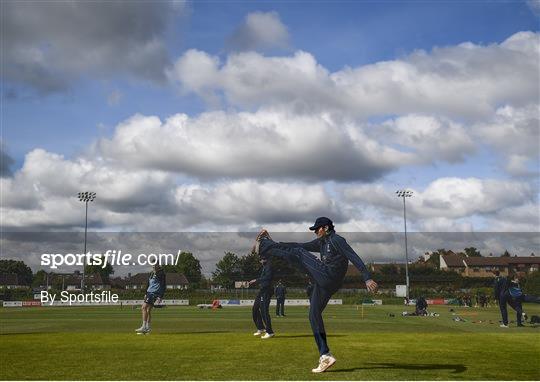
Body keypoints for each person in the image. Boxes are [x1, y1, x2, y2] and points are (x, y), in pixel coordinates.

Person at [254, 217, 378, 373]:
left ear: (325, 228)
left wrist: (367, 277)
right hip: (324, 283)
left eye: (317, 229)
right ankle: (325, 355)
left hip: (329, 276)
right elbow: (298, 245)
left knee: (299, 253)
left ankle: (264, 245)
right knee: (313, 315)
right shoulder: (321, 242)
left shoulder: (337, 240)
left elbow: (354, 257)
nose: (315, 232)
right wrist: (276, 242)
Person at [135, 264, 166, 334]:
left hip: (153, 293)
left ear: (158, 265)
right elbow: (148, 284)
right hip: (149, 293)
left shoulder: (161, 274)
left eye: (155, 265)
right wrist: (146, 293)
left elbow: (163, 285)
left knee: (143, 308)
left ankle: (143, 327)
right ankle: (147, 328)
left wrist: (161, 296)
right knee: (148, 310)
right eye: (152, 265)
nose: (154, 266)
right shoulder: (151, 273)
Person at [249, 258, 275, 339]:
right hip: (262, 290)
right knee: (255, 309)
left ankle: (270, 332)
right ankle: (261, 328)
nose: (260, 260)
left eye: (262, 258)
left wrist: (256, 280)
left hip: (266, 290)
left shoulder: (269, 267)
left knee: (264, 311)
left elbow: (268, 277)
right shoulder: (264, 267)